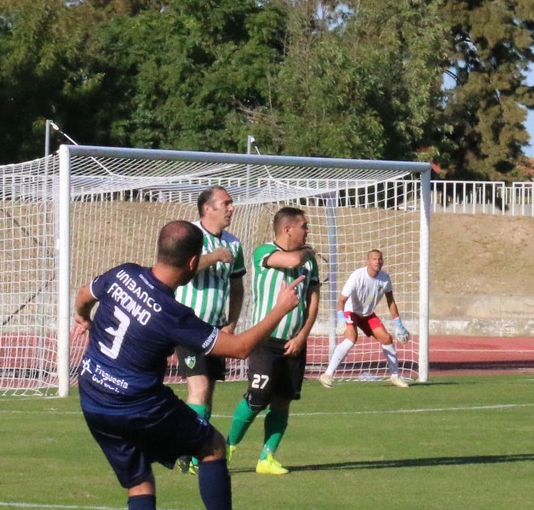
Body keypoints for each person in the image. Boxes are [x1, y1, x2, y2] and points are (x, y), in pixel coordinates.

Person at [75, 221, 309, 510]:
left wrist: (83, 317)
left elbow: (85, 293)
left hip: (93, 397)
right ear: (193, 262)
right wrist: (280, 309)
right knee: (213, 446)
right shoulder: (172, 313)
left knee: (139, 484)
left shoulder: (122, 274)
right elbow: (239, 348)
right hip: (139, 403)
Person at [228, 207, 323, 473]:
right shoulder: (263, 252)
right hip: (265, 341)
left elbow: (313, 298)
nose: (308, 231)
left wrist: (303, 336)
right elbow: (291, 262)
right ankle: (227, 448)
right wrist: (307, 253)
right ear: (287, 229)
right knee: (257, 397)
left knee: (283, 400)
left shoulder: (308, 261)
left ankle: (266, 458)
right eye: (304, 226)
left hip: (294, 343)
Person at [170, 186, 244, 473]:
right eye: (225, 203)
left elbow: (237, 287)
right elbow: (178, 269)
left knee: (208, 392)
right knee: (198, 388)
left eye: (231, 204)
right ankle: (188, 453)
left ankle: (191, 449)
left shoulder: (234, 244)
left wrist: (233, 322)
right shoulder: (189, 236)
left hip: (216, 328)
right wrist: (214, 257)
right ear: (207, 209)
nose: (231, 208)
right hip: (188, 324)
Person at [319, 249, 411, 389]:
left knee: (386, 338)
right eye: (374, 259)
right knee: (351, 338)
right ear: (368, 261)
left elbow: (390, 301)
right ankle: (327, 374)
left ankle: (395, 376)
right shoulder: (357, 276)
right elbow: (341, 301)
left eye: (380, 259)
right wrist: (341, 318)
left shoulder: (385, 278)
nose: (378, 262)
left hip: (367, 314)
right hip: (351, 311)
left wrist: (399, 324)